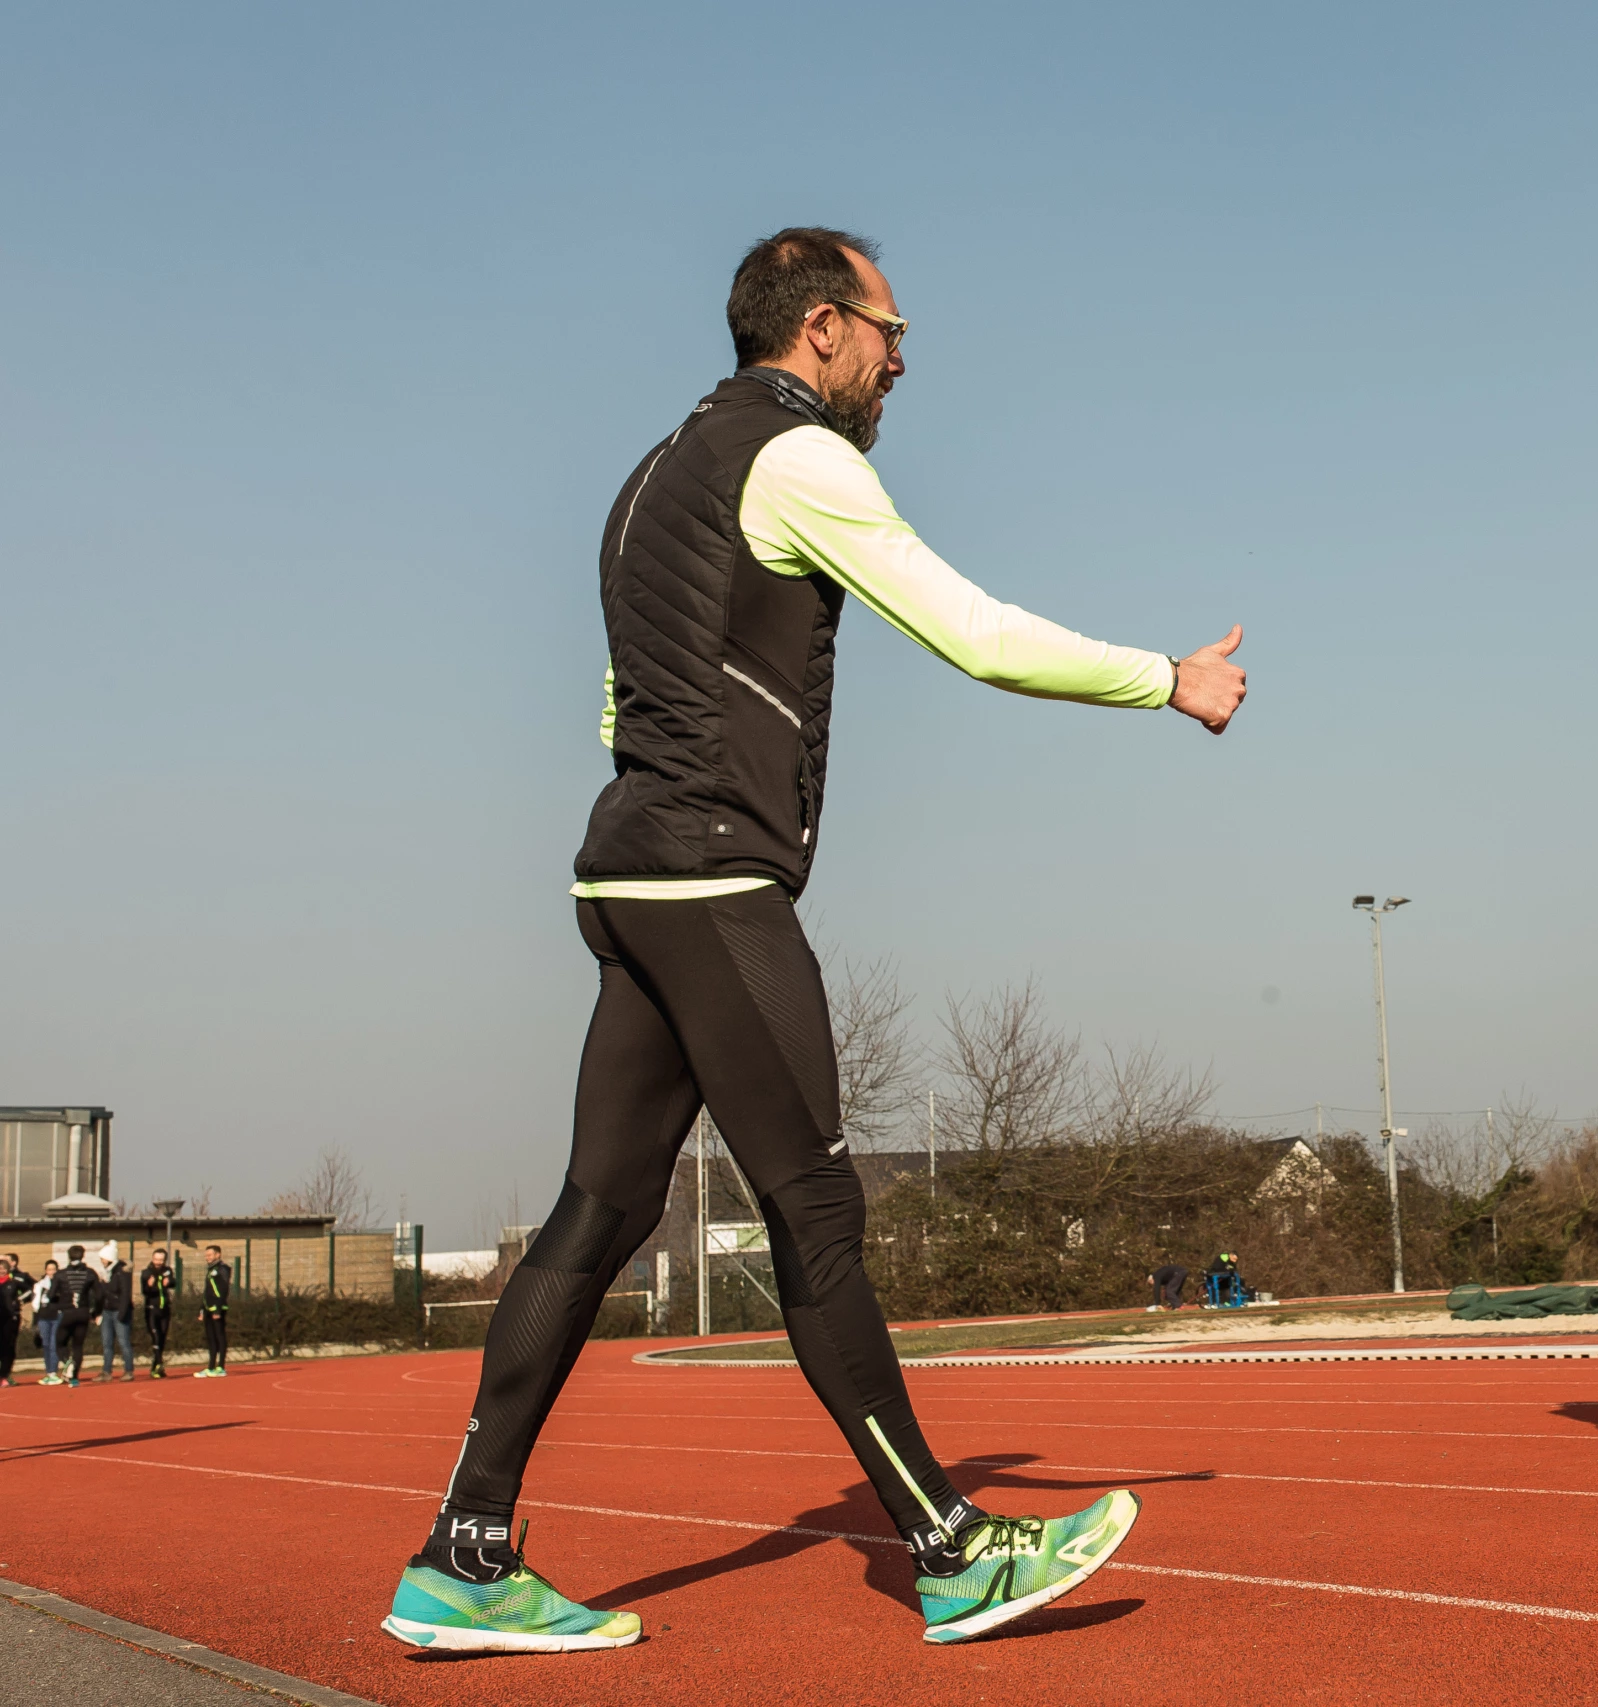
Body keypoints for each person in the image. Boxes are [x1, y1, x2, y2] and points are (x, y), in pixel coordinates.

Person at [384, 226, 1248, 1657]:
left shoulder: (649, 478)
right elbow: (972, 631)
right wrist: (1167, 679)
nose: (905, 360)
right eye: (895, 330)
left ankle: (463, 1554)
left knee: (597, 1214)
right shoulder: (800, 460)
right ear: (823, 327)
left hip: (630, 873)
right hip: (714, 882)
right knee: (815, 1206)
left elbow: (617, 710)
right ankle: (951, 1545)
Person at [50, 1245, 102, 1387]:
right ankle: (74, 1378)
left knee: (59, 1342)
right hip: (83, 1313)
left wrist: (59, 1304)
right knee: (78, 1346)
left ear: (69, 1256)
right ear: (83, 1256)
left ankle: (68, 1363)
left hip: (67, 1312)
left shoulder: (61, 1274)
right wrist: (96, 1312)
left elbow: (51, 1295)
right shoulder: (90, 1273)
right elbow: (99, 1295)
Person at [194, 1245, 232, 1377]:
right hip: (208, 1308)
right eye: (206, 1256)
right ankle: (210, 1367)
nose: (207, 1258)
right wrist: (202, 1309)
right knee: (210, 1338)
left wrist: (218, 1308)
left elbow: (223, 1290)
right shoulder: (210, 1270)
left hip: (218, 1308)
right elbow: (207, 1292)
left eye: (210, 1255)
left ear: (218, 1255)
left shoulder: (223, 1269)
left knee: (219, 1336)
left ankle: (220, 1367)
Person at [99, 1249, 135, 1380]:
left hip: (119, 1311)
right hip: (106, 1311)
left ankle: (129, 1371)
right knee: (106, 1342)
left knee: (123, 1342)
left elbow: (125, 1294)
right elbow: (103, 1293)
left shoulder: (122, 1273)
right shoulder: (106, 1273)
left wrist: (122, 1313)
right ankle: (106, 1371)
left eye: (103, 1258)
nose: (101, 1261)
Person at [141, 1248, 178, 1378]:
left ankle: (155, 1367)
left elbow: (174, 1283)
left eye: (161, 1260)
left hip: (165, 1309)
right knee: (155, 1337)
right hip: (151, 1309)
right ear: (152, 1258)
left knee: (162, 1338)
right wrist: (149, 1286)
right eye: (156, 1259)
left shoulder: (167, 1270)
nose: (158, 1262)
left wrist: (169, 1282)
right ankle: (160, 1363)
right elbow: (145, 1291)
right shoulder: (147, 1273)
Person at [0, 1254, 29, 1386]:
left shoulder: (13, 1283)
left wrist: (19, 1300)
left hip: (11, 1319)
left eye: (3, 1269)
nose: (1, 1271)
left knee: (8, 1347)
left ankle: (4, 1375)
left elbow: (30, 1290)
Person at [33, 1260, 61, 1384]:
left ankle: (54, 1372)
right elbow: (35, 1303)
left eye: (54, 1269)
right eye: (49, 1269)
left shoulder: (61, 1285)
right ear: (46, 1271)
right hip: (43, 1317)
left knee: (54, 1344)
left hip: (57, 1316)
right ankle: (48, 1372)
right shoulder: (40, 1285)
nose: (51, 1272)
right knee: (46, 1344)